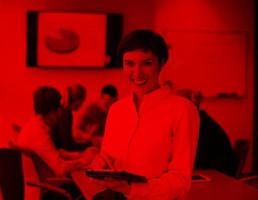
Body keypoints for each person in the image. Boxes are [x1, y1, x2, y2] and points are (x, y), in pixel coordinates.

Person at [89, 29, 199, 200]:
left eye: (147, 63)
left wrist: (132, 189)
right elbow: (108, 158)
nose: (137, 73)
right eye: (129, 64)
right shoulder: (116, 110)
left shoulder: (182, 110)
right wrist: (100, 164)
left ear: (162, 63)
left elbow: (181, 181)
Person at [15, 86, 89, 177]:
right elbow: (60, 169)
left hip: (37, 180)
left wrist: (75, 156)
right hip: (47, 185)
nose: (59, 114)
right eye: (58, 108)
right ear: (52, 109)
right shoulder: (39, 133)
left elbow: (50, 154)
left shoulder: (33, 125)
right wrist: (84, 161)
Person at [176, 89, 238, 177]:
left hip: (218, 177)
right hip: (214, 172)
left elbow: (196, 161)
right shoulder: (201, 120)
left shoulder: (202, 126)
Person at [74, 84, 118, 149]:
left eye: (112, 105)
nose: (109, 108)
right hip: (85, 146)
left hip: (103, 147)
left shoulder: (114, 112)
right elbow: (75, 132)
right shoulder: (88, 109)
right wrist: (91, 137)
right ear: (101, 98)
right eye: (107, 104)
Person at [51, 84, 92, 152]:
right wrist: (89, 145)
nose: (82, 105)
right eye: (82, 101)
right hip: (59, 152)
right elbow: (68, 146)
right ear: (77, 100)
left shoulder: (62, 110)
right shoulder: (66, 114)